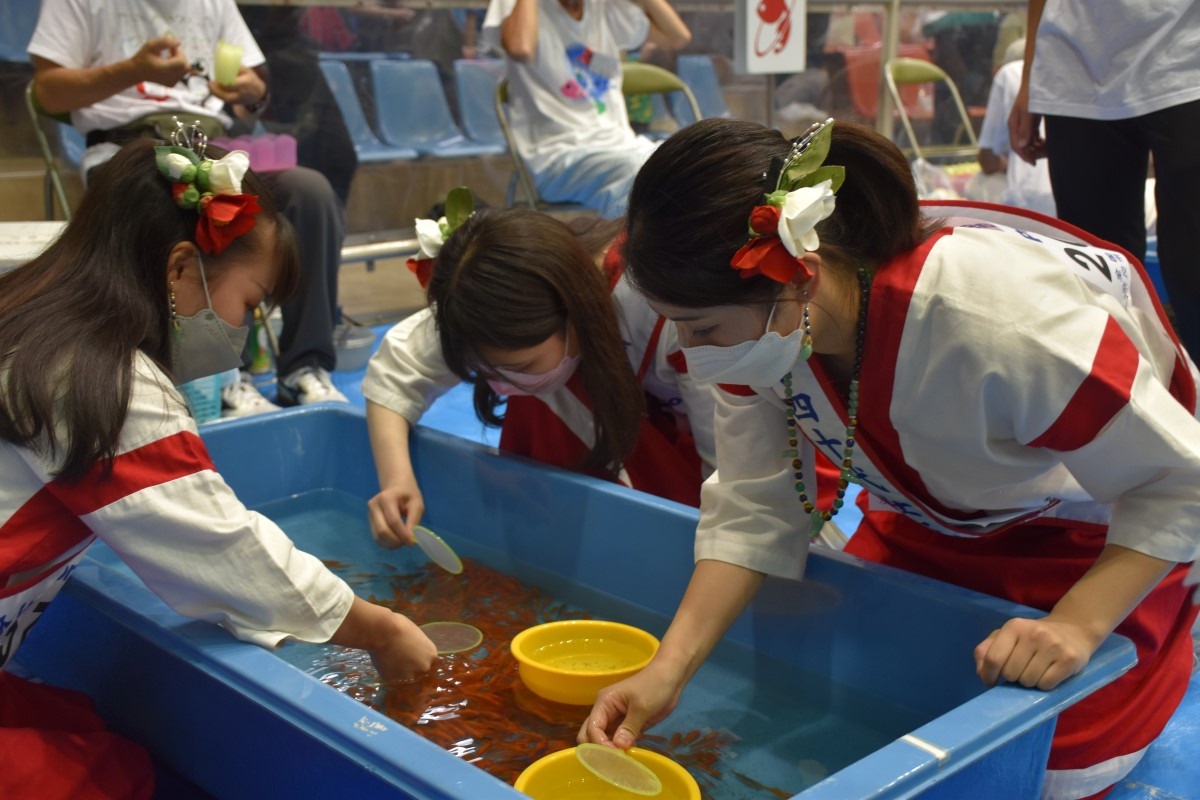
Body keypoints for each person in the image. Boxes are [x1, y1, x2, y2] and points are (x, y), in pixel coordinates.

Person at [576, 117, 1200, 800]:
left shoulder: (997, 324)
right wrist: (669, 668)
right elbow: (758, 504)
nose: (690, 355)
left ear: (801, 277)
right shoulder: (765, 331)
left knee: (1038, 768)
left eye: (702, 329)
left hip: (1094, 535)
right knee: (860, 719)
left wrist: (1078, 623)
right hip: (933, 519)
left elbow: (1180, 481)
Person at [0, 138, 436, 799]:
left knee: (76, 731)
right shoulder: (105, 383)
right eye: (251, 301)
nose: (246, 328)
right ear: (180, 271)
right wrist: (382, 627)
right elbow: (226, 548)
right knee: (103, 780)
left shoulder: (31, 312)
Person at [27, 0, 351, 417]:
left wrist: (253, 94)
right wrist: (133, 71)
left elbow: (250, 91)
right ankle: (225, 376)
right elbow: (48, 91)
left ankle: (305, 365)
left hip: (216, 142)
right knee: (206, 206)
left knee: (311, 192)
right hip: (131, 146)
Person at [362, 204, 718, 549]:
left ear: (574, 313)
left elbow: (727, 471)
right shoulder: (484, 298)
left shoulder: (671, 310)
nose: (501, 386)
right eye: (485, 371)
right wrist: (397, 481)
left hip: (692, 444)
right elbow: (397, 369)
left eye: (521, 367)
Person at [1008, 0, 1200, 360]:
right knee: (1099, 283)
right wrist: (1031, 77)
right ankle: (1117, 409)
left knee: (1194, 267)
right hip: (1075, 65)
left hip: (1188, 60)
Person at [480, 0, 691, 218]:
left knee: (689, 163)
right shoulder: (519, 6)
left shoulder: (600, 8)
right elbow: (520, 48)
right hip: (559, 156)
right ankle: (637, 249)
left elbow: (677, 37)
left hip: (622, 146)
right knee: (641, 176)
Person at [972, 38, 1055, 216]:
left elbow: (987, 158)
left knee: (978, 183)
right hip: (1079, 199)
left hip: (1030, 205)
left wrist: (1007, 165)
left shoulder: (1009, 73)